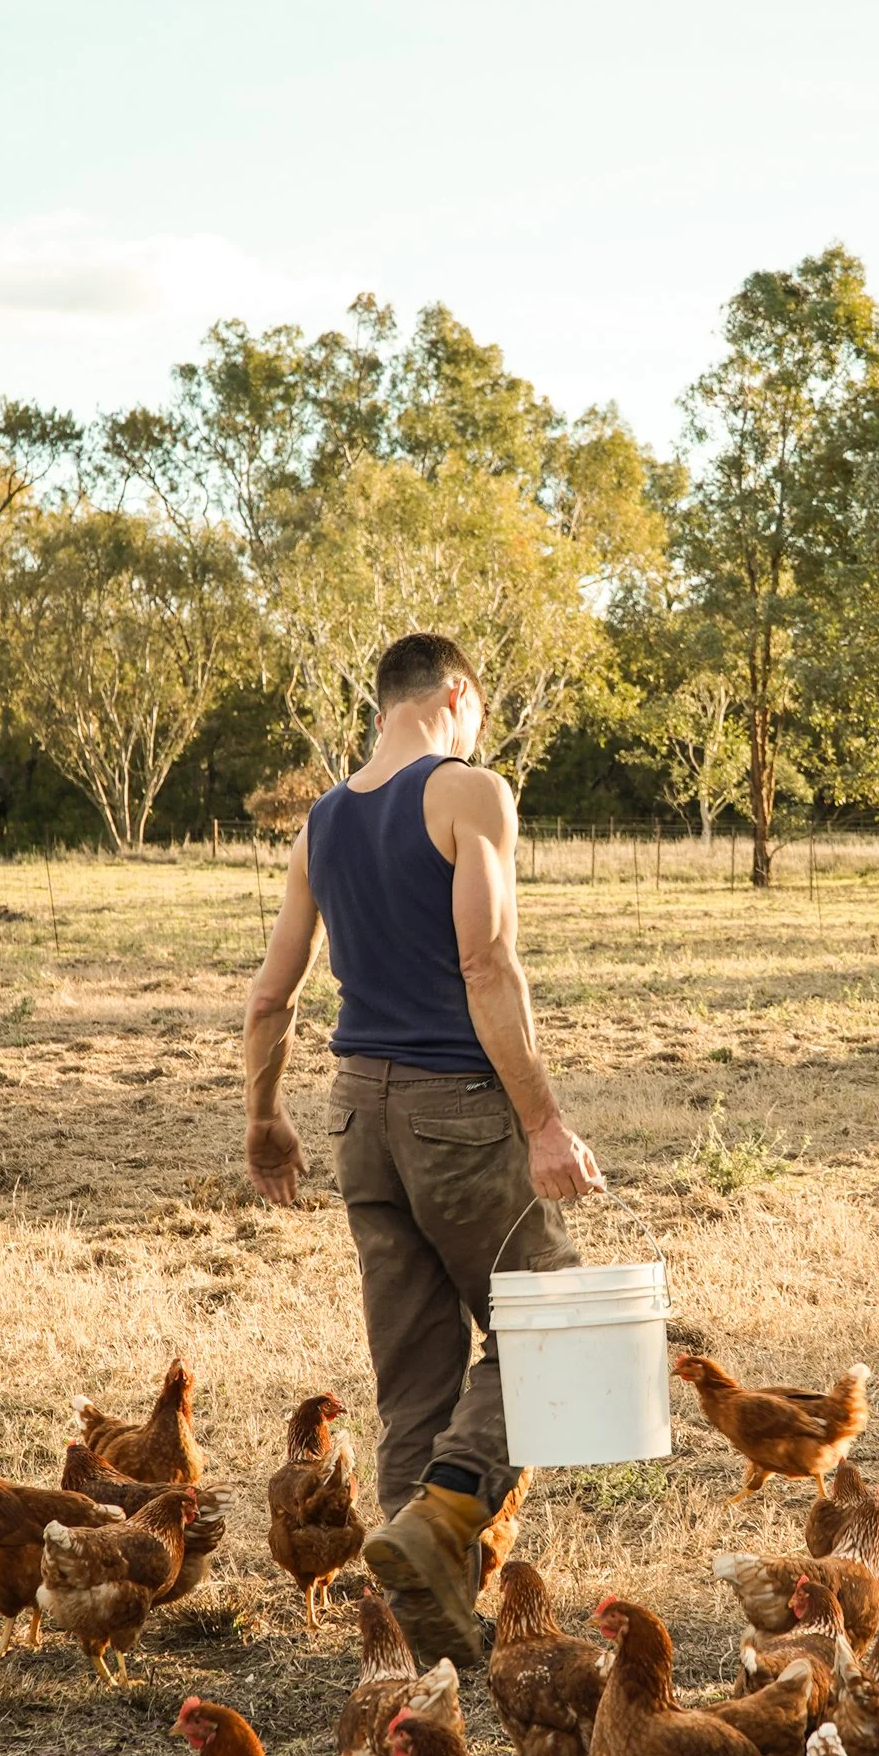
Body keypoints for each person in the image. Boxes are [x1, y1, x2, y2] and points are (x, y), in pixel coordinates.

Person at [242, 631, 602, 1667]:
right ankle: (445, 1516)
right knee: (556, 1321)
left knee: (413, 1377)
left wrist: (264, 1116)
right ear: (456, 695)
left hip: (356, 1112)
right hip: (458, 1107)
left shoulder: (323, 820)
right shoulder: (469, 792)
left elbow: (272, 994)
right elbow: (487, 962)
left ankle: (421, 1634)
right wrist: (542, 1120)